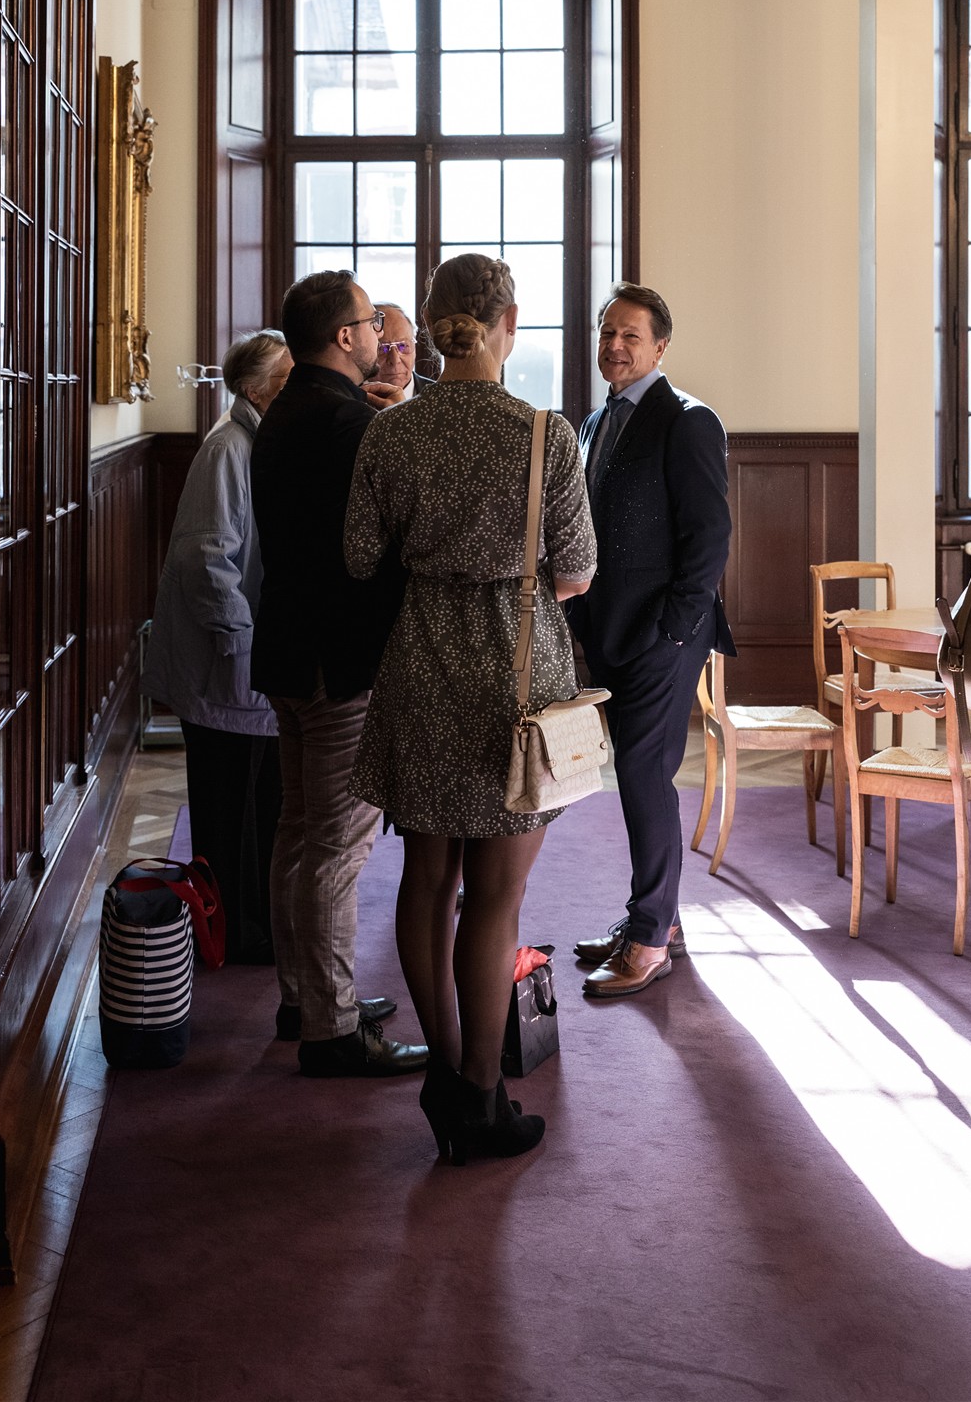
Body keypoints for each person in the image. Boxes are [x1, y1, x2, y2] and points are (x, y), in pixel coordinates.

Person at [344, 254, 596, 1163]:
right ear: (508, 323)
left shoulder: (390, 435)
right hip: (515, 683)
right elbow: (575, 572)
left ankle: (441, 1069)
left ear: (432, 323)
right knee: (497, 896)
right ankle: (483, 1097)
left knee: (424, 878)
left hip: (420, 671)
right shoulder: (544, 435)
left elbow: (361, 558)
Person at [250, 271, 426, 1079]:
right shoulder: (348, 421)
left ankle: (303, 994)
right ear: (344, 337)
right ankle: (331, 1027)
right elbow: (387, 544)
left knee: (296, 831)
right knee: (337, 847)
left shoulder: (285, 409)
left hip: (287, 645)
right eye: (369, 323)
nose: (381, 337)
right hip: (337, 658)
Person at [568, 284, 735, 999]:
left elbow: (709, 537)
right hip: (607, 631)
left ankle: (647, 940)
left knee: (641, 775)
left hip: (663, 638)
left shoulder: (687, 421)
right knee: (635, 775)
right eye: (608, 332)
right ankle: (658, 918)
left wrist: (672, 631)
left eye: (631, 336)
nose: (615, 345)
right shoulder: (594, 421)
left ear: (660, 347)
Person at [142, 330, 292, 963]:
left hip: (247, 666)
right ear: (257, 389)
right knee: (229, 811)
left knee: (258, 808)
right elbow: (208, 560)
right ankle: (231, 931)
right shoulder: (230, 448)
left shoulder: (259, 442)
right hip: (227, 665)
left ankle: (251, 927)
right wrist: (246, 648)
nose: (299, 385)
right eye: (287, 376)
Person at [368, 304, 434, 401]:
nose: (395, 360)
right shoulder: (348, 399)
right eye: (382, 348)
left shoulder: (440, 397)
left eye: (403, 346)